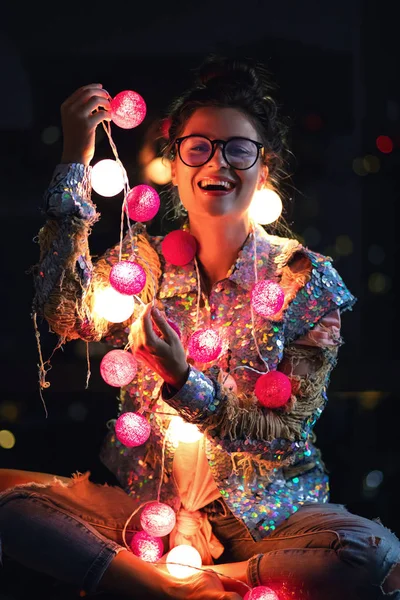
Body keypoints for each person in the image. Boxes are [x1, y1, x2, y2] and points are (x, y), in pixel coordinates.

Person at [1, 55, 400, 600]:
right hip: (151, 513)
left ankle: (180, 585)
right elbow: (65, 312)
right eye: (199, 147)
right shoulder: (141, 265)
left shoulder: (302, 279)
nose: (219, 163)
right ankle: (176, 589)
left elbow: (285, 428)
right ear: (176, 163)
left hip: (266, 522)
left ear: (266, 167)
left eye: (239, 148)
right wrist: (75, 159)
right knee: (14, 508)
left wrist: (183, 377)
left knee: (373, 556)